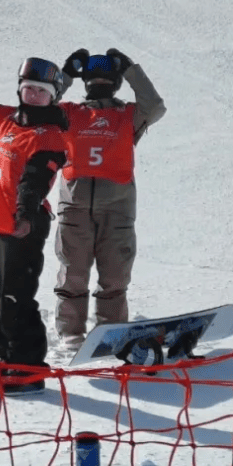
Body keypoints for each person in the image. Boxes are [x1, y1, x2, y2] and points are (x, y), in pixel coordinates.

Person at [0, 56, 69, 393]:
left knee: (14, 297)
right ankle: (6, 361)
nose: (34, 95)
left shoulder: (49, 135)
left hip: (24, 224)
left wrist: (24, 215)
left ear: (53, 96)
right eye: (29, 88)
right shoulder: (1, 119)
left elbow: (34, 180)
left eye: (42, 91)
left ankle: (28, 369)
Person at [53, 49, 166, 352]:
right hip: (75, 209)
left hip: (117, 210)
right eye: (94, 80)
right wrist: (65, 75)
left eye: (104, 80)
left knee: (115, 278)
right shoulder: (70, 113)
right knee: (72, 276)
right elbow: (40, 108)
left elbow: (155, 106)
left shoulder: (128, 115)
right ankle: (70, 334)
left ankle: (110, 331)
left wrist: (131, 70)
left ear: (115, 83)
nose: (98, 85)